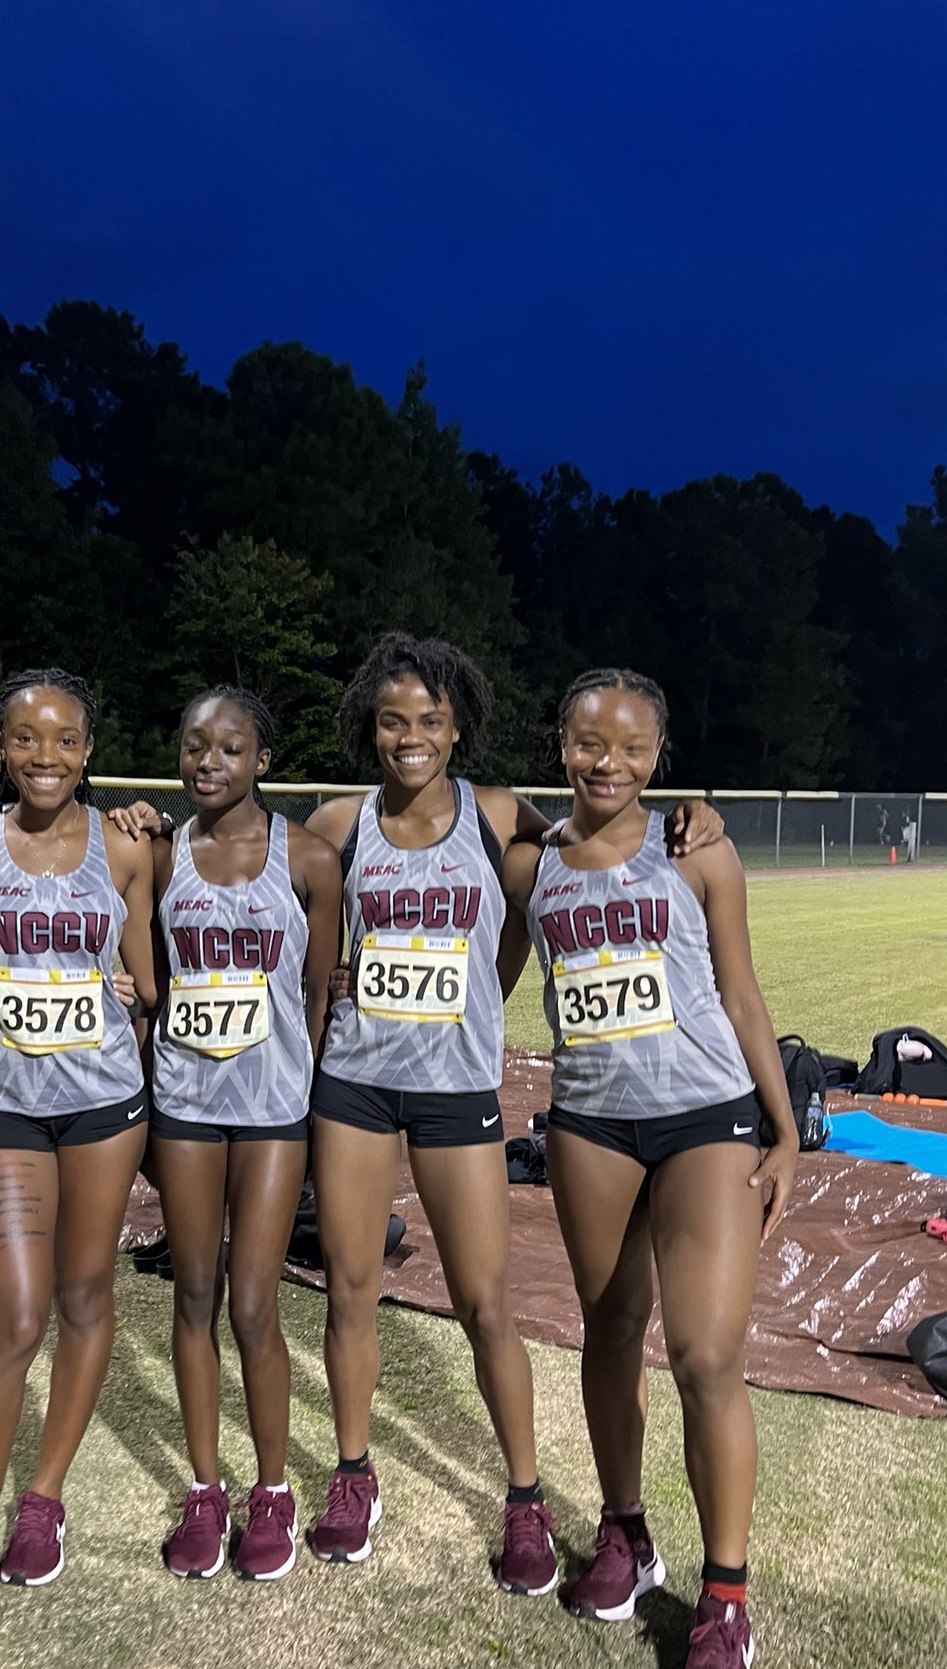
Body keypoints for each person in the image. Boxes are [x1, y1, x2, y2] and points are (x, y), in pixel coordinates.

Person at [301, 633, 721, 1593]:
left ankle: (525, 1500)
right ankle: (354, 1476)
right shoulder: (335, 821)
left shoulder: (497, 817)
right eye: (394, 721)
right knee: (352, 1286)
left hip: (455, 1091)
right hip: (355, 1086)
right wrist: (147, 825)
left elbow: (596, 834)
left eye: (432, 721)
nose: (412, 738)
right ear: (371, 727)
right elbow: (252, 861)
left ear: (460, 728)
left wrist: (691, 814)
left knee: (486, 1303)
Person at [503, 667, 796, 1669]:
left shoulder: (698, 849)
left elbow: (742, 988)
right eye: (589, 742)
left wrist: (785, 1125)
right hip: (589, 1120)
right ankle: (625, 1533)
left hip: (705, 1114)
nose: (607, 762)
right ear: (561, 744)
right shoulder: (532, 865)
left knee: (707, 1353)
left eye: (630, 747)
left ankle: (725, 1600)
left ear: (659, 758)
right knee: (610, 1326)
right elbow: (472, 958)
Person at [0, 669, 156, 1640]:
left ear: (90, 748)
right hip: (2, 1105)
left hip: (104, 1102)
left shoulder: (124, 845)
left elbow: (145, 975)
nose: (46, 755)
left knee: (84, 1297)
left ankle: (44, 1496)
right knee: (14, 1315)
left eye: (65, 738)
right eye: (26, 737)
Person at [110, 688, 341, 1582]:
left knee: (255, 1304)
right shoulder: (160, 858)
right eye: (194, 746)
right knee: (195, 1295)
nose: (208, 761)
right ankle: (205, 1492)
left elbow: (319, 996)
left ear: (263, 760)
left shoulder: (310, 860)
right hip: (186, 1104)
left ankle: (272, 1491)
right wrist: (127, 820)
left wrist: (310, 1098)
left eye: (230, 748)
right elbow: (144, 963)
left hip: (275, 1110)